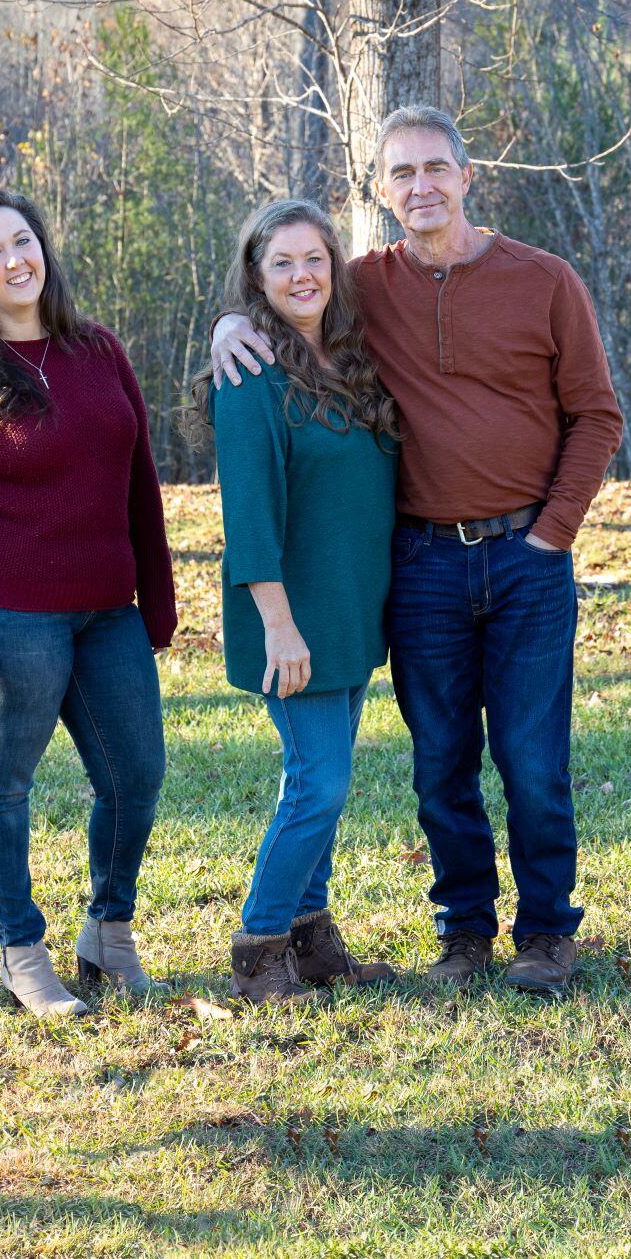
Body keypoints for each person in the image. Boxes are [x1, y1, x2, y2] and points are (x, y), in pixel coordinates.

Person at [213, 106, 624, 996]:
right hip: (423, 565)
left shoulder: (545, 281)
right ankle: (466, 930)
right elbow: (287, 292)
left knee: (532, 757)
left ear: (467, 176)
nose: (421, 187)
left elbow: (598, 414)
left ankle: (547, 933)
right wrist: (226, 330)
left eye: (436, 168)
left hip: (527, 557)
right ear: (382, 190)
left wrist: (552, 531)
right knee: (440, 761)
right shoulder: (367, 283)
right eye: (401, 174)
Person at [0, 189, 177, 1017]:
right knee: (2, 787)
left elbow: (140, 484)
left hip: (108, 612)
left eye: (23, 240)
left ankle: (109, 931)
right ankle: (23, 952)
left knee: (136, 775)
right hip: (10, 618)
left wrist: (158, 598)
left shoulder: (100, 351)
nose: (16, 258)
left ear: (44, 248)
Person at [185, 199, 403, 1004]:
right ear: (256, 276)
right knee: (320, 784)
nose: (301, 275)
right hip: (291, 618)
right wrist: (278, 625)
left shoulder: (351, 359)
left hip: (348, 610)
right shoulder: (251, 375)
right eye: (282, 263)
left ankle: (312, 942)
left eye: (315, 259)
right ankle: (260, 945)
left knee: (319, 777)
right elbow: (248, 519)